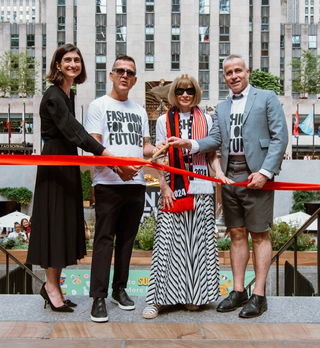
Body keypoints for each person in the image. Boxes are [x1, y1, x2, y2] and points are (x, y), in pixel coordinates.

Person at [168, 54, 288, 318]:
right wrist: (190, 144)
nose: (233, 76)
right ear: (224, 77)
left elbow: (280, 137)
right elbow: (214, 140)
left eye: (238, 71)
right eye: (228, 73)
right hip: (229, 175)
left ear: (247, 71)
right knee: (236, 233)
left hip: (257, 174)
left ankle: (258, 294)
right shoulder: (221, 108)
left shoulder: (266, 97)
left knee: (259, 235)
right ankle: (238, 291)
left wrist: (266, 172)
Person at [26, 43, 112, 313]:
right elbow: (75, 131)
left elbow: (75, 134)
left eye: (77, 60)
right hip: (55, 162)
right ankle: (50, 287)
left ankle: (54, 286)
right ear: (58, 65)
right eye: (68, 60)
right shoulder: (54, 95)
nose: (73, 64)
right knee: (54, 221)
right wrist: (104, 153)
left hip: (67, 160)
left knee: (62, 222)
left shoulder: (68, 94)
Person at [142, 74, 230, 319]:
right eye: (180, 90)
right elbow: (159, 155)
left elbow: (212, 153)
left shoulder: (207, 118)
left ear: (196, 92)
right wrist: (163, 186)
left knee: (198, 244)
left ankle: (194, 296)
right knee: (167, 243)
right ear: (173, 93)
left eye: (189, 90)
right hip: (174, 188)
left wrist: (220, 174)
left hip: (202, 187)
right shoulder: (163, 120)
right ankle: (156, 300)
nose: (185, 95)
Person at [85, 55, 159, 323]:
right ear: (111, 75)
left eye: (130, 72)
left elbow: (145, 147)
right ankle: (98, 297)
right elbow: (95, 147)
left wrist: (162, 148)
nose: (125, 75)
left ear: (135, 79)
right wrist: (118, 169)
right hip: (108, 183)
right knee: (104, 240)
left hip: (136, 184)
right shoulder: (97, 106)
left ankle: (119, 289)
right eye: (120, 71)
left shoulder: (139, 111)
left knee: (127, 240)